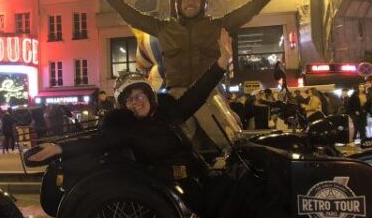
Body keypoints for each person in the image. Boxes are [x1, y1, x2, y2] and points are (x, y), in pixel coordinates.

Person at [92, 0, 301, 149]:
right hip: (176, 96)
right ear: (178, 5)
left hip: (209, 93)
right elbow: (132, 15)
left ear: (203, 5)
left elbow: (251, 9)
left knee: (228, 141)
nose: (190, 2)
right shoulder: (164, 28)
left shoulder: (217, 26)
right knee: (177, 144)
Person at [29, 29, 232, 192]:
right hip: (171, 188)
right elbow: (96, 142)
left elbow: (197, 94)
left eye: (138, 97)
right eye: (129, 101)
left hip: (195, 175)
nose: (135, 102)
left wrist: (222, 63)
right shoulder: (126, 128)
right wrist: (59, 148)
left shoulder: (168, 111)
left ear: (149, 97)